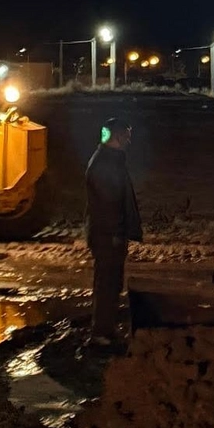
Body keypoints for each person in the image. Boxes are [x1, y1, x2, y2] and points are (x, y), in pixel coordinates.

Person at [84, 117, 143, 348]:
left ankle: (105, 329)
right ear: (117, 136)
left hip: (109, 234)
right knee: (107, 284)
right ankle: (101, 333)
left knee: (111, 282)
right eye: (127, 134)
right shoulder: (105, 165)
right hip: (107, 236)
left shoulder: (110, 161)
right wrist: (117, 233)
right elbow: (108, 205)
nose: (130, 139)